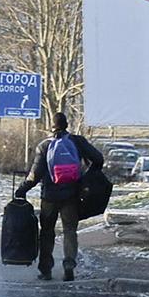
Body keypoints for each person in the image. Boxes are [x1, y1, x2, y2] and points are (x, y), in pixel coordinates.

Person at [14, 112, 104, 281]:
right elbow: (98, 159)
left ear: (51, 127)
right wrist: (87, 177)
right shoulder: (77, 142)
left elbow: (35, 175)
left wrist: (21, 190)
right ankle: (69, 264)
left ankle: (46, 269)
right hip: (71, 195)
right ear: (66, 125)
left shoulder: (44, 146)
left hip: (49, 196)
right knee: (70, 230)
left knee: (47, 232)